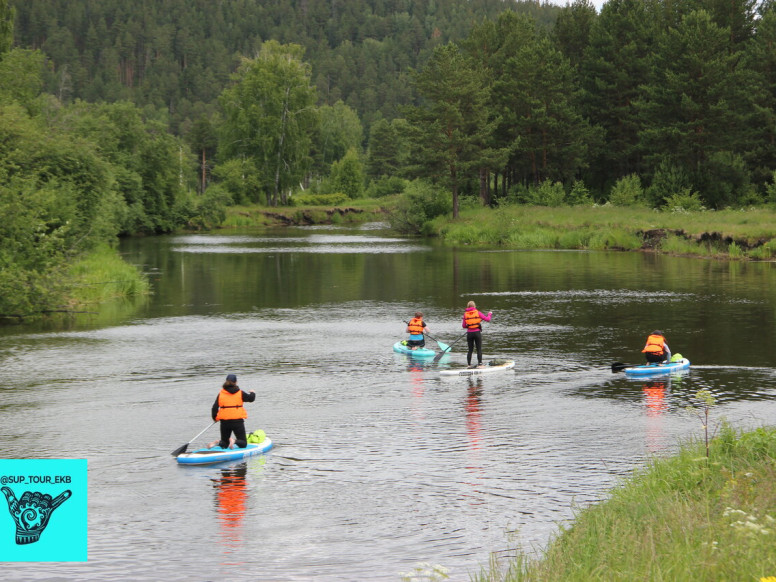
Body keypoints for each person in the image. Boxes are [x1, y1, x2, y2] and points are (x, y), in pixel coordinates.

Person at [208, 374, 256, 449]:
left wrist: (215, 418)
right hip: (237, 421)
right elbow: (251, 399)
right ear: (236, 382)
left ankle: (218, 443)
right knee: (243, 443)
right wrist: (252, 392)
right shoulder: (240, 393)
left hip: (224, 422)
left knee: (225, 443)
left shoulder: (221, 394)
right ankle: (234, 441)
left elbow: (214, 408)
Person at [462, 301, 492, 368]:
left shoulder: (465, 314)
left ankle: (469, 365)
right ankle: (480, 364)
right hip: (477, 333)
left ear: (468, 306)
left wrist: (469, 326)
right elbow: (488, 319)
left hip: (469, 334)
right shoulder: (478, 312)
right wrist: (489, 314)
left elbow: (464, 326)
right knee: (479, 349)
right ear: (474, 306)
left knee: (470, 350)